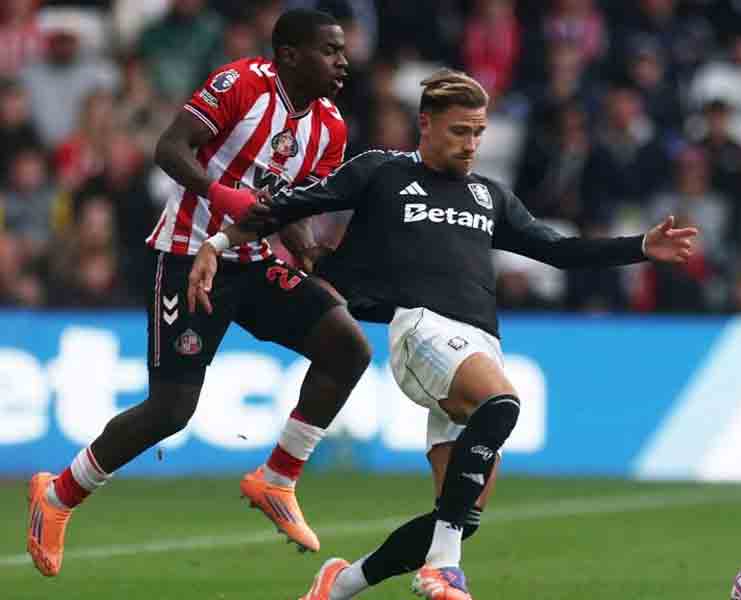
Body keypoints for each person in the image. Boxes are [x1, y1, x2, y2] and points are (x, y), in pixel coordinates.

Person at [188, 69, 697, 600]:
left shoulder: (489, 195)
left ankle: (342, 583)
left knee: (460, 512)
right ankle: (443, 571)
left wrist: (640, 247)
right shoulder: (383, 172)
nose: (471, 144)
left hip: (479, 344)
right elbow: (290, 206)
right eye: (460, 131)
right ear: (425, 125)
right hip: (422, 331)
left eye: (478, 132)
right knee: (501, 403)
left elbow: (557, 250)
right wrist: (217, 244)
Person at [26, 9, 372, 577]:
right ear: (288, 54)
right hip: (186, 255)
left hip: (254, 261)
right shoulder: (240, 84)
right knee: (171, 410)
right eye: (330, 50)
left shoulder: (330, 126)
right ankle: (59, 496)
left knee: (348, 348)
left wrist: (307, 251)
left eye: (343, 51)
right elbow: (169, 148)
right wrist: (220, 193)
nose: (343, 61)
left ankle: (278, 477)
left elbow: (290, 208)